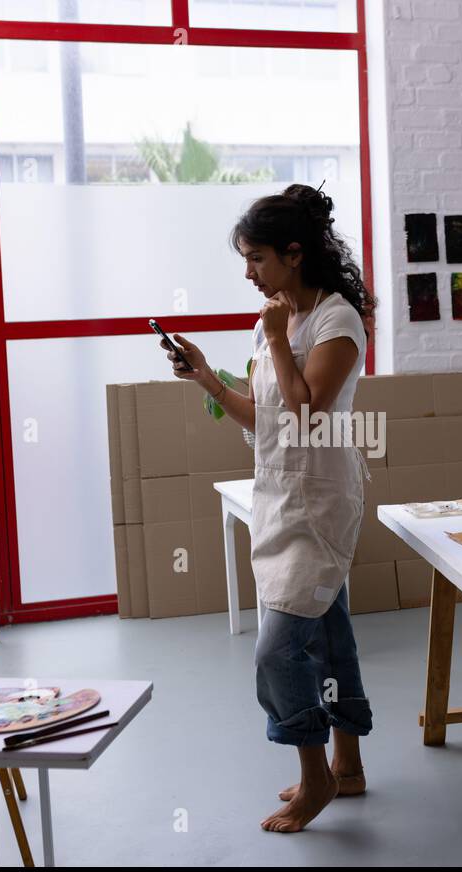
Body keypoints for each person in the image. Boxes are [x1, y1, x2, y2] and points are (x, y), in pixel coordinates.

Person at [160, 184, 376, 832]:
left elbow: (308, 411)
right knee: (330, 633)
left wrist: (281, 339)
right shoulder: (270, 320)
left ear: (293, 253)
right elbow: (266, 415)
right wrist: (207, 378)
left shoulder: (338, 320)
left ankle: (316, 779)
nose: (248, 273)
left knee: (278, 650)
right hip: (281, 496)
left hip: (321, 504)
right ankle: (350, 765)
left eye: (256, 258)